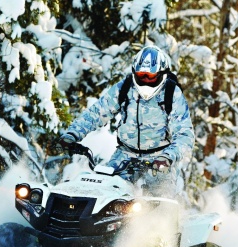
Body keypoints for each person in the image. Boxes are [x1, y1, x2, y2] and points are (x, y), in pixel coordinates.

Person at [57, 45, 195, 197]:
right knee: (105, 195)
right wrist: (72, 134)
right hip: (124, 156)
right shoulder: (124, 88)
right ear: (135, 72)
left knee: (160, 205)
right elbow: (96, 113)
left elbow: (185, 134)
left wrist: (168, 157)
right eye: (142, 76)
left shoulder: (171, 94)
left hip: (159, 159)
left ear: (161, 74)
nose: (146, 81)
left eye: (151, 77)